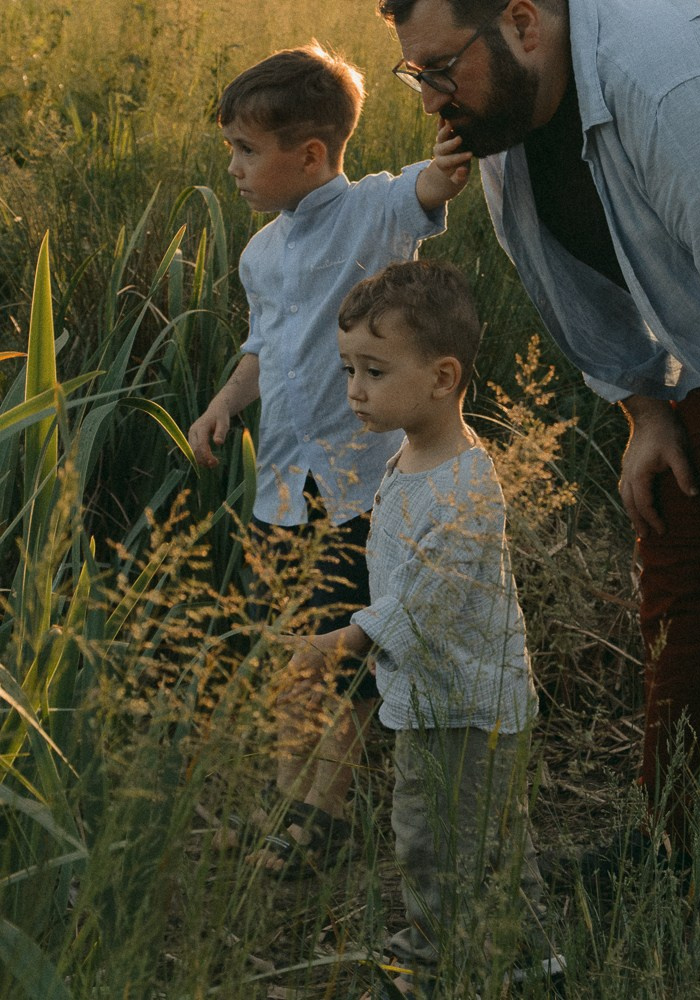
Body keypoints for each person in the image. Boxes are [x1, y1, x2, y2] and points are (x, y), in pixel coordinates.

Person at [377, 0, 700, 855]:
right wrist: (647, 410)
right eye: (417, 74)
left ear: (524, 23)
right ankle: (678, 846)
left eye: (441, 69)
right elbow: (576, 291)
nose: (432, 100)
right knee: (683, 555)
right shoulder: (506, 123)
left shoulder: (669, 79)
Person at [188, 42, 471, 869]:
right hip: (280, 483)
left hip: (355, 484)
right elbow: (264, 347)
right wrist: (224, 402)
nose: (234, 168)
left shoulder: (373, 211)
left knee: (336, 655)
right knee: (288, 649)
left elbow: (436, 180)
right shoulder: (261, 253)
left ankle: (324, 820)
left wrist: (454, 136)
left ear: (310, 155)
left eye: (246, 150)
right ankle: (287, 802)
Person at [282, 260, 562, 997]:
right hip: (436, 695)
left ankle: (435, 964)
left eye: (374, 371)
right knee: (477, 834)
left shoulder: (465, 485)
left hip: (467, 705)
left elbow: (428, 600)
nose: (354, 390)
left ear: (442, 378)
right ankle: (522, 957)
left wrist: (342, 642)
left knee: (439, 836)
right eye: (348, 369)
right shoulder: (410, 456)